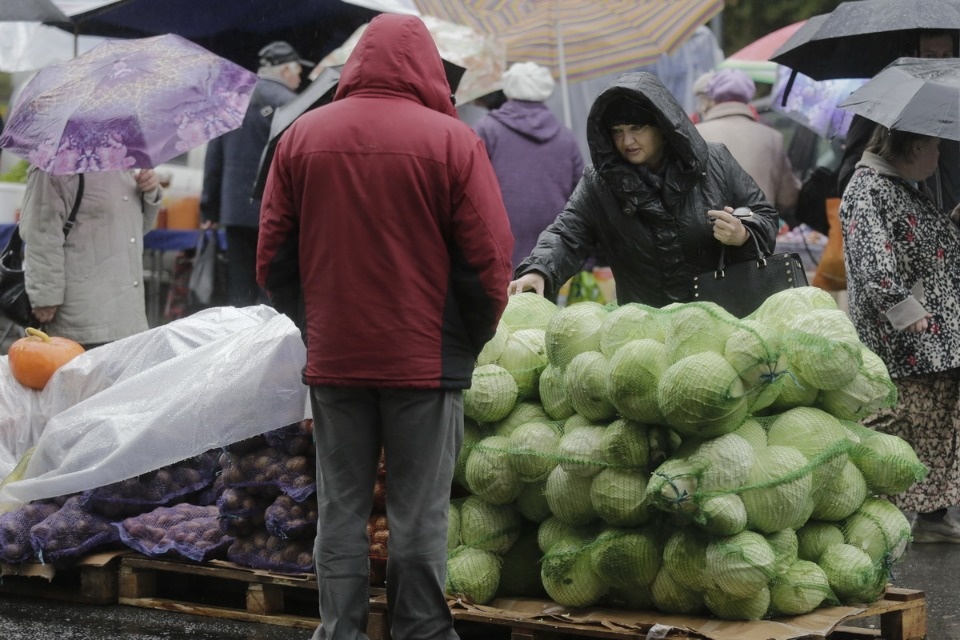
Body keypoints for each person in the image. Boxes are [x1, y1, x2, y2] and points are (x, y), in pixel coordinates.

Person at [256, 13, 513, 640]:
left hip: (337, 357)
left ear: (356, 63)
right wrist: (466, 339)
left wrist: (315, 322)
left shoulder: (301, 135)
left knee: (340, 508)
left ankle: (339, 630)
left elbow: (272, 257)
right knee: (418, 512)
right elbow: (490, 259)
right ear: (428, 68)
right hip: (425, 360)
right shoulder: (453, 141)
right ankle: (420, 629)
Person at [508, 71, 779, 307]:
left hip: (722, 320)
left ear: (662, 126)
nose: (627, 141)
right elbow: (567, 234)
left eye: (637, 127)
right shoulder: (599, 182)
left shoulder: (715, 161)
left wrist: (743, 234)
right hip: (643, 332)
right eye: (617, 131)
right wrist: (539, 270)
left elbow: (765, 216)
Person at [840, 124, 960, 543]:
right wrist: (904, 310)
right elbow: (873, 264)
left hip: (931, 344)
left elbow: (921, 247)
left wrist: (952, 223)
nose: (938, 157)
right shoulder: (869, 188)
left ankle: (930, 518)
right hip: (905, 346)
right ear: (914, 146)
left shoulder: (897, 186)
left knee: (933, 431)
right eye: (935, 147)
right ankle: (867, 523)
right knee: (890, 432)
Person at [200, 40, 309, 307]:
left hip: (234, 211)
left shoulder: (233, 100)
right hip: (275, 212)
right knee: (270, 288)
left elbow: (214, 157)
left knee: (239, 289)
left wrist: (209, 209)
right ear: (286, 70)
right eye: (297, 70)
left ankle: (239, 332)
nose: (299, 78)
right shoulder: (294, 105)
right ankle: (267, 333)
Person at [19, 168, 162, 349]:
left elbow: (134, 232)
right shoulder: (55, 168)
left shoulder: (122, 166)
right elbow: (41, 236)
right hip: (82, 318)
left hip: (127, 314)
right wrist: (45, 298)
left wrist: (149, 191)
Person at [474, 61, 584, 270]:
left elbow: (472, 188)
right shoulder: (565, 137)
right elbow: (581, 196)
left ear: (508, 90)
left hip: (498, 250)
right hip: (554, 253)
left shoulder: (488, 129)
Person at [838, 29, 959, 209]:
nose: (940, 65)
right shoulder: (884, 103)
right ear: (914, 56)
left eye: (946, 56)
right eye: (930, 56)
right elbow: (849, 177)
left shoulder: (955, 105)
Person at [695, 68, 801, 217]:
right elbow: (788, 197)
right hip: (758, 227)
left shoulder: (696, 133)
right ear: (748, 96)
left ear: (712, 97)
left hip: (710, 227)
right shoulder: (772, 137)